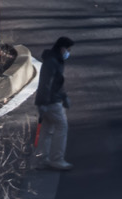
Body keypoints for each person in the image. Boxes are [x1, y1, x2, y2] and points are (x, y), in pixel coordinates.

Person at [35, 37, 74, 171]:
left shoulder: (53, 60)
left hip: (49, 100)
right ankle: (57, 159)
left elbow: (57, 82)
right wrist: (44, 103)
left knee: (47, 129)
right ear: (62, 48)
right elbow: (47, 83)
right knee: (61, 127)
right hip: (52, 101)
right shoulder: (53, 62)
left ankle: (41, 159)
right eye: (68, 49)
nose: (68, 52)